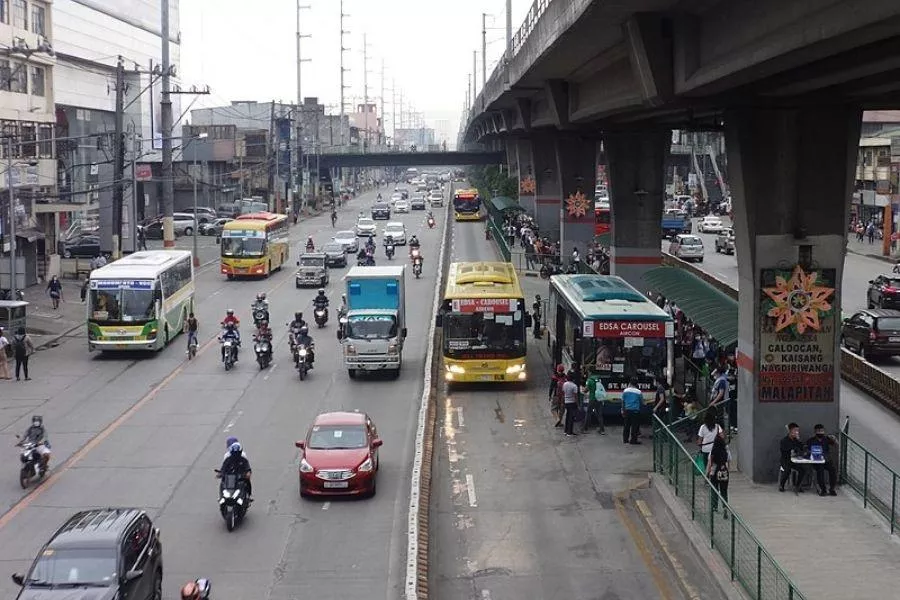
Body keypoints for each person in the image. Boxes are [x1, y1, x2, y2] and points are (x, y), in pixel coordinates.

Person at [807, 424, 838, 496]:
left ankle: (832, 489)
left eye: (822, 431)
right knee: (820, 470)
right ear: (815, 432)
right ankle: (823, 489)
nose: (820, 432)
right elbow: (807, 450)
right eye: (818, 431)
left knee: (833, 469)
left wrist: (835, 439)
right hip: (817, 461)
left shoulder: (827, 439)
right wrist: (811, 452)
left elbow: (836, 445)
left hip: (826, 460)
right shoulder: (811, 440)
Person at [707, 428, 730, 518]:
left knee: (714, 489)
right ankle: (725, 507)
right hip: (724, 471)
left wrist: (708, 472)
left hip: (715, 471)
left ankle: (714, 506)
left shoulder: (713, 451)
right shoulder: (725, 451)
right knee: (724, 491)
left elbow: (711, 462)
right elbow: (728, 460)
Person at [778, 422, 806, 493]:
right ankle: (782, 485)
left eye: (797, 430)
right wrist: (794, 449)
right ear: (790, 431)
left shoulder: (796, 440)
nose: (797, 432)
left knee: (802, 470)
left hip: (794, 460)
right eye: (795, 430)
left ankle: (797, 486)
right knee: (787, 470)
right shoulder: (784, 441)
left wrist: (799, 441)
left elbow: (802, 447)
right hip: (785, 460)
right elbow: (785, 450)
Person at [583, 367, 606, 434]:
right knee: (599, 415)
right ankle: (602, 430)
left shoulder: (589, 380)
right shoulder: (598, 379)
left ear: (590, 372)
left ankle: (585, 429)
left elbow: (586, 390)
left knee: (588, 413)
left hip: (592, 399)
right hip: (599, 399)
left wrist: (583, 390)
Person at [621, 377, 643, 445]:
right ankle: (633, 440)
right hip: (635, 411)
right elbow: (641, 402)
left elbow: (623, 401)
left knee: (626, 426)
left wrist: (623, 410)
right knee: (635, 426)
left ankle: (625, 440)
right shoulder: (639, 392)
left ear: (630, 383)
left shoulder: (625, 391)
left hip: (627, 410)